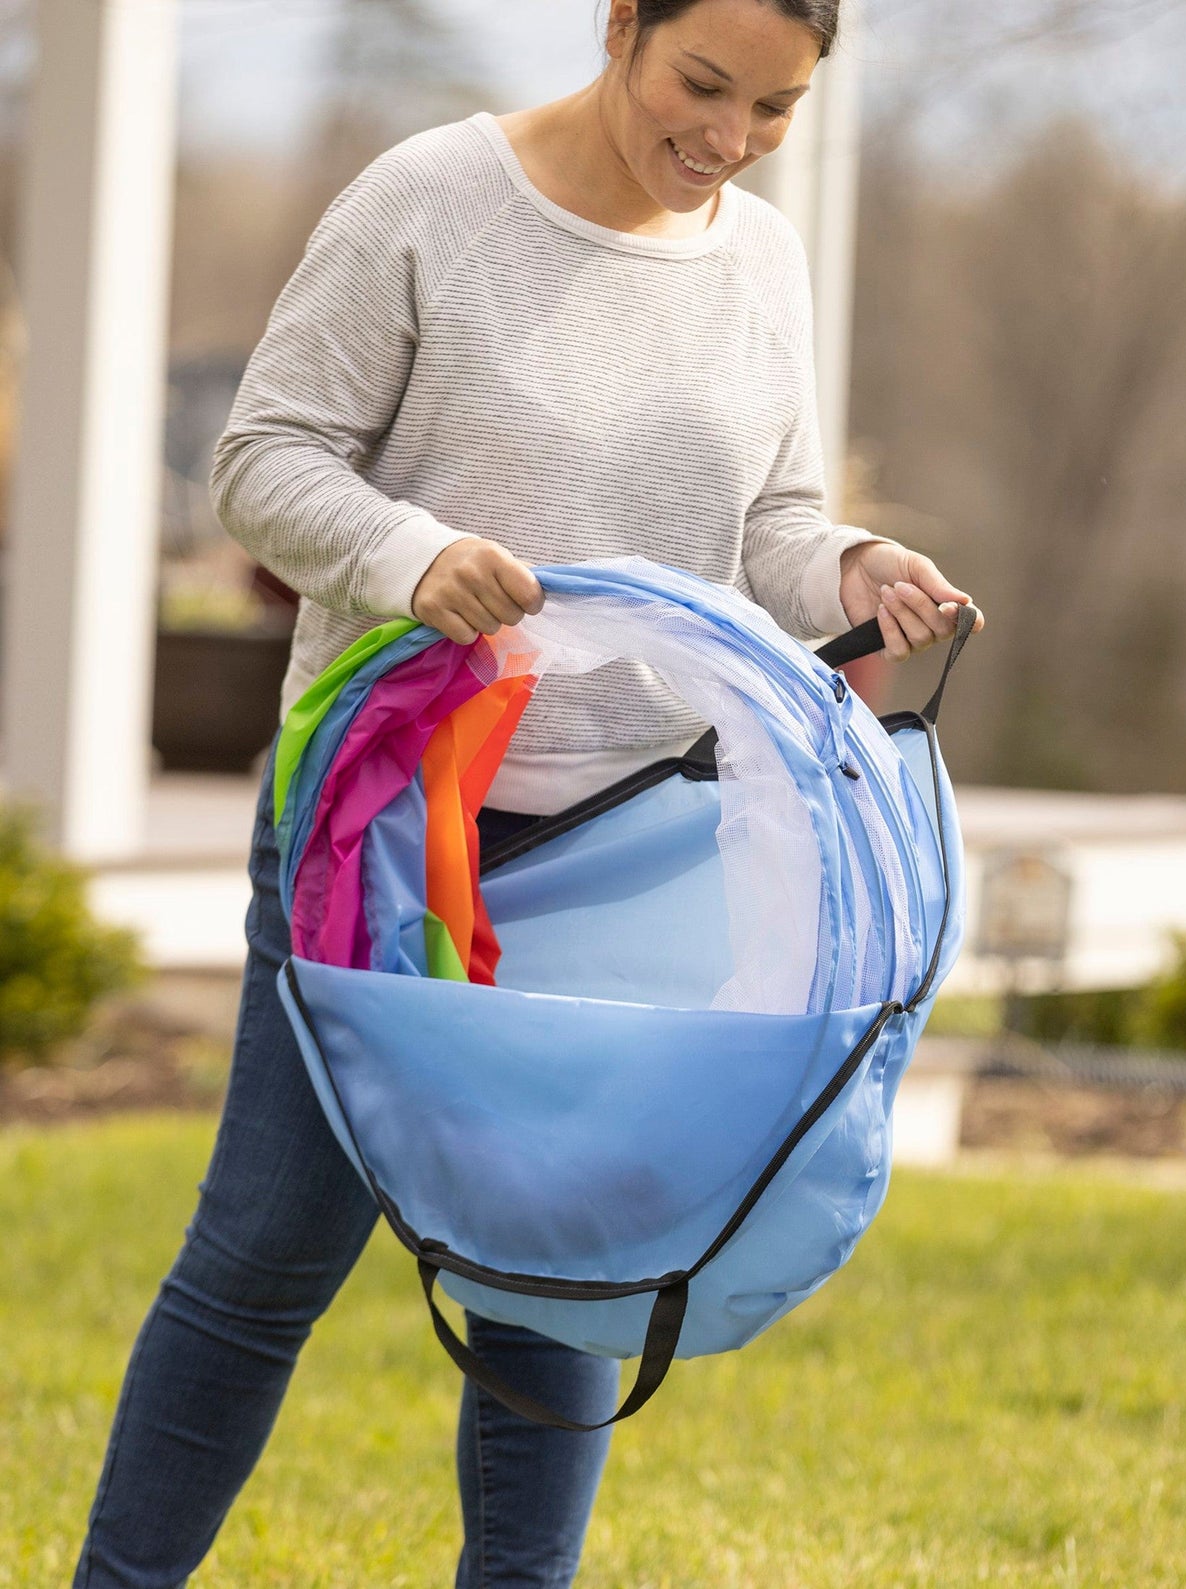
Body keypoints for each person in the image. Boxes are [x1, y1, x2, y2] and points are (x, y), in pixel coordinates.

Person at [73, 1, 981, 1584]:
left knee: (562, 1276)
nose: (724, 140)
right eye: (702, 84)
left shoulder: (756, 261)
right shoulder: (431, 200)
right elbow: (264, 461)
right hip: (387, 830)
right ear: (619, 22)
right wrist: (410, 555)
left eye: (771, 111)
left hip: (613, 842)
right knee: (268, 1250)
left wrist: (850, 563)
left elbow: (763, 514)